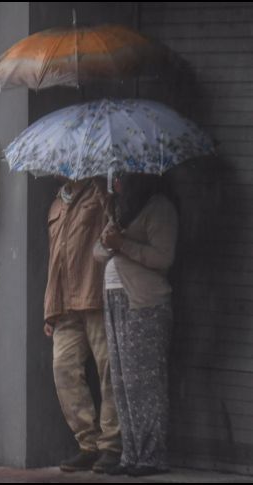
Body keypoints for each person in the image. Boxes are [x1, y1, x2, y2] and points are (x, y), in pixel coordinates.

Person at [95, 172, 178, 477]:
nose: (116, 184)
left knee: (145, 383)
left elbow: (163, 257)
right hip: (116, 303)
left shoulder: (159, 209)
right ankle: (131, 454)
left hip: (145, 304)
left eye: (121, 178)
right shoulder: (120, 213)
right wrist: (109, 242)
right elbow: (97, 252)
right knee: (122, 383)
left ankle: (152, 456)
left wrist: (122, 244)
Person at [44, 177, 122, 473]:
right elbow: (54, 259)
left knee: (108, 371)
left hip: (95, 297)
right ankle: (87, 443)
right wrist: (49, 309)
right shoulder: (57, 202)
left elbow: (115, 226)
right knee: (63, 369)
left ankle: (112, 445)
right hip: (64, 304)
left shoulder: (100, 192)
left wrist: (108, 198)